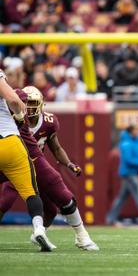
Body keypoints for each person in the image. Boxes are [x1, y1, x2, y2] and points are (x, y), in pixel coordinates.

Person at [0, 87, 98, 251]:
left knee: (58, 196)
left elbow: (57, 148)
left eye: (31, 104)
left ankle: (79, 235)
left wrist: (68, 164)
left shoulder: (48, 122)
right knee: (5, 201)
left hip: (31, 156)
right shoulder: (9, 110)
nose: (28, 108)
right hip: (14, 152)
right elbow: (13, 100)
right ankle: (40, 230)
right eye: (25, 103)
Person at [0, 70, 53, 252]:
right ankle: (39, 229)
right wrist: (21, 116)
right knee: (31, 191)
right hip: (8, 140)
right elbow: (13, 100)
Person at [107, 124, 138, 226]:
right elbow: (128, 160)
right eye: (136, 130)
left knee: (121, 198)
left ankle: (110, 219)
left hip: (131, 174)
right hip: (130, 175)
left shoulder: (136, 141)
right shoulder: (126, 143)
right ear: (131, 132)